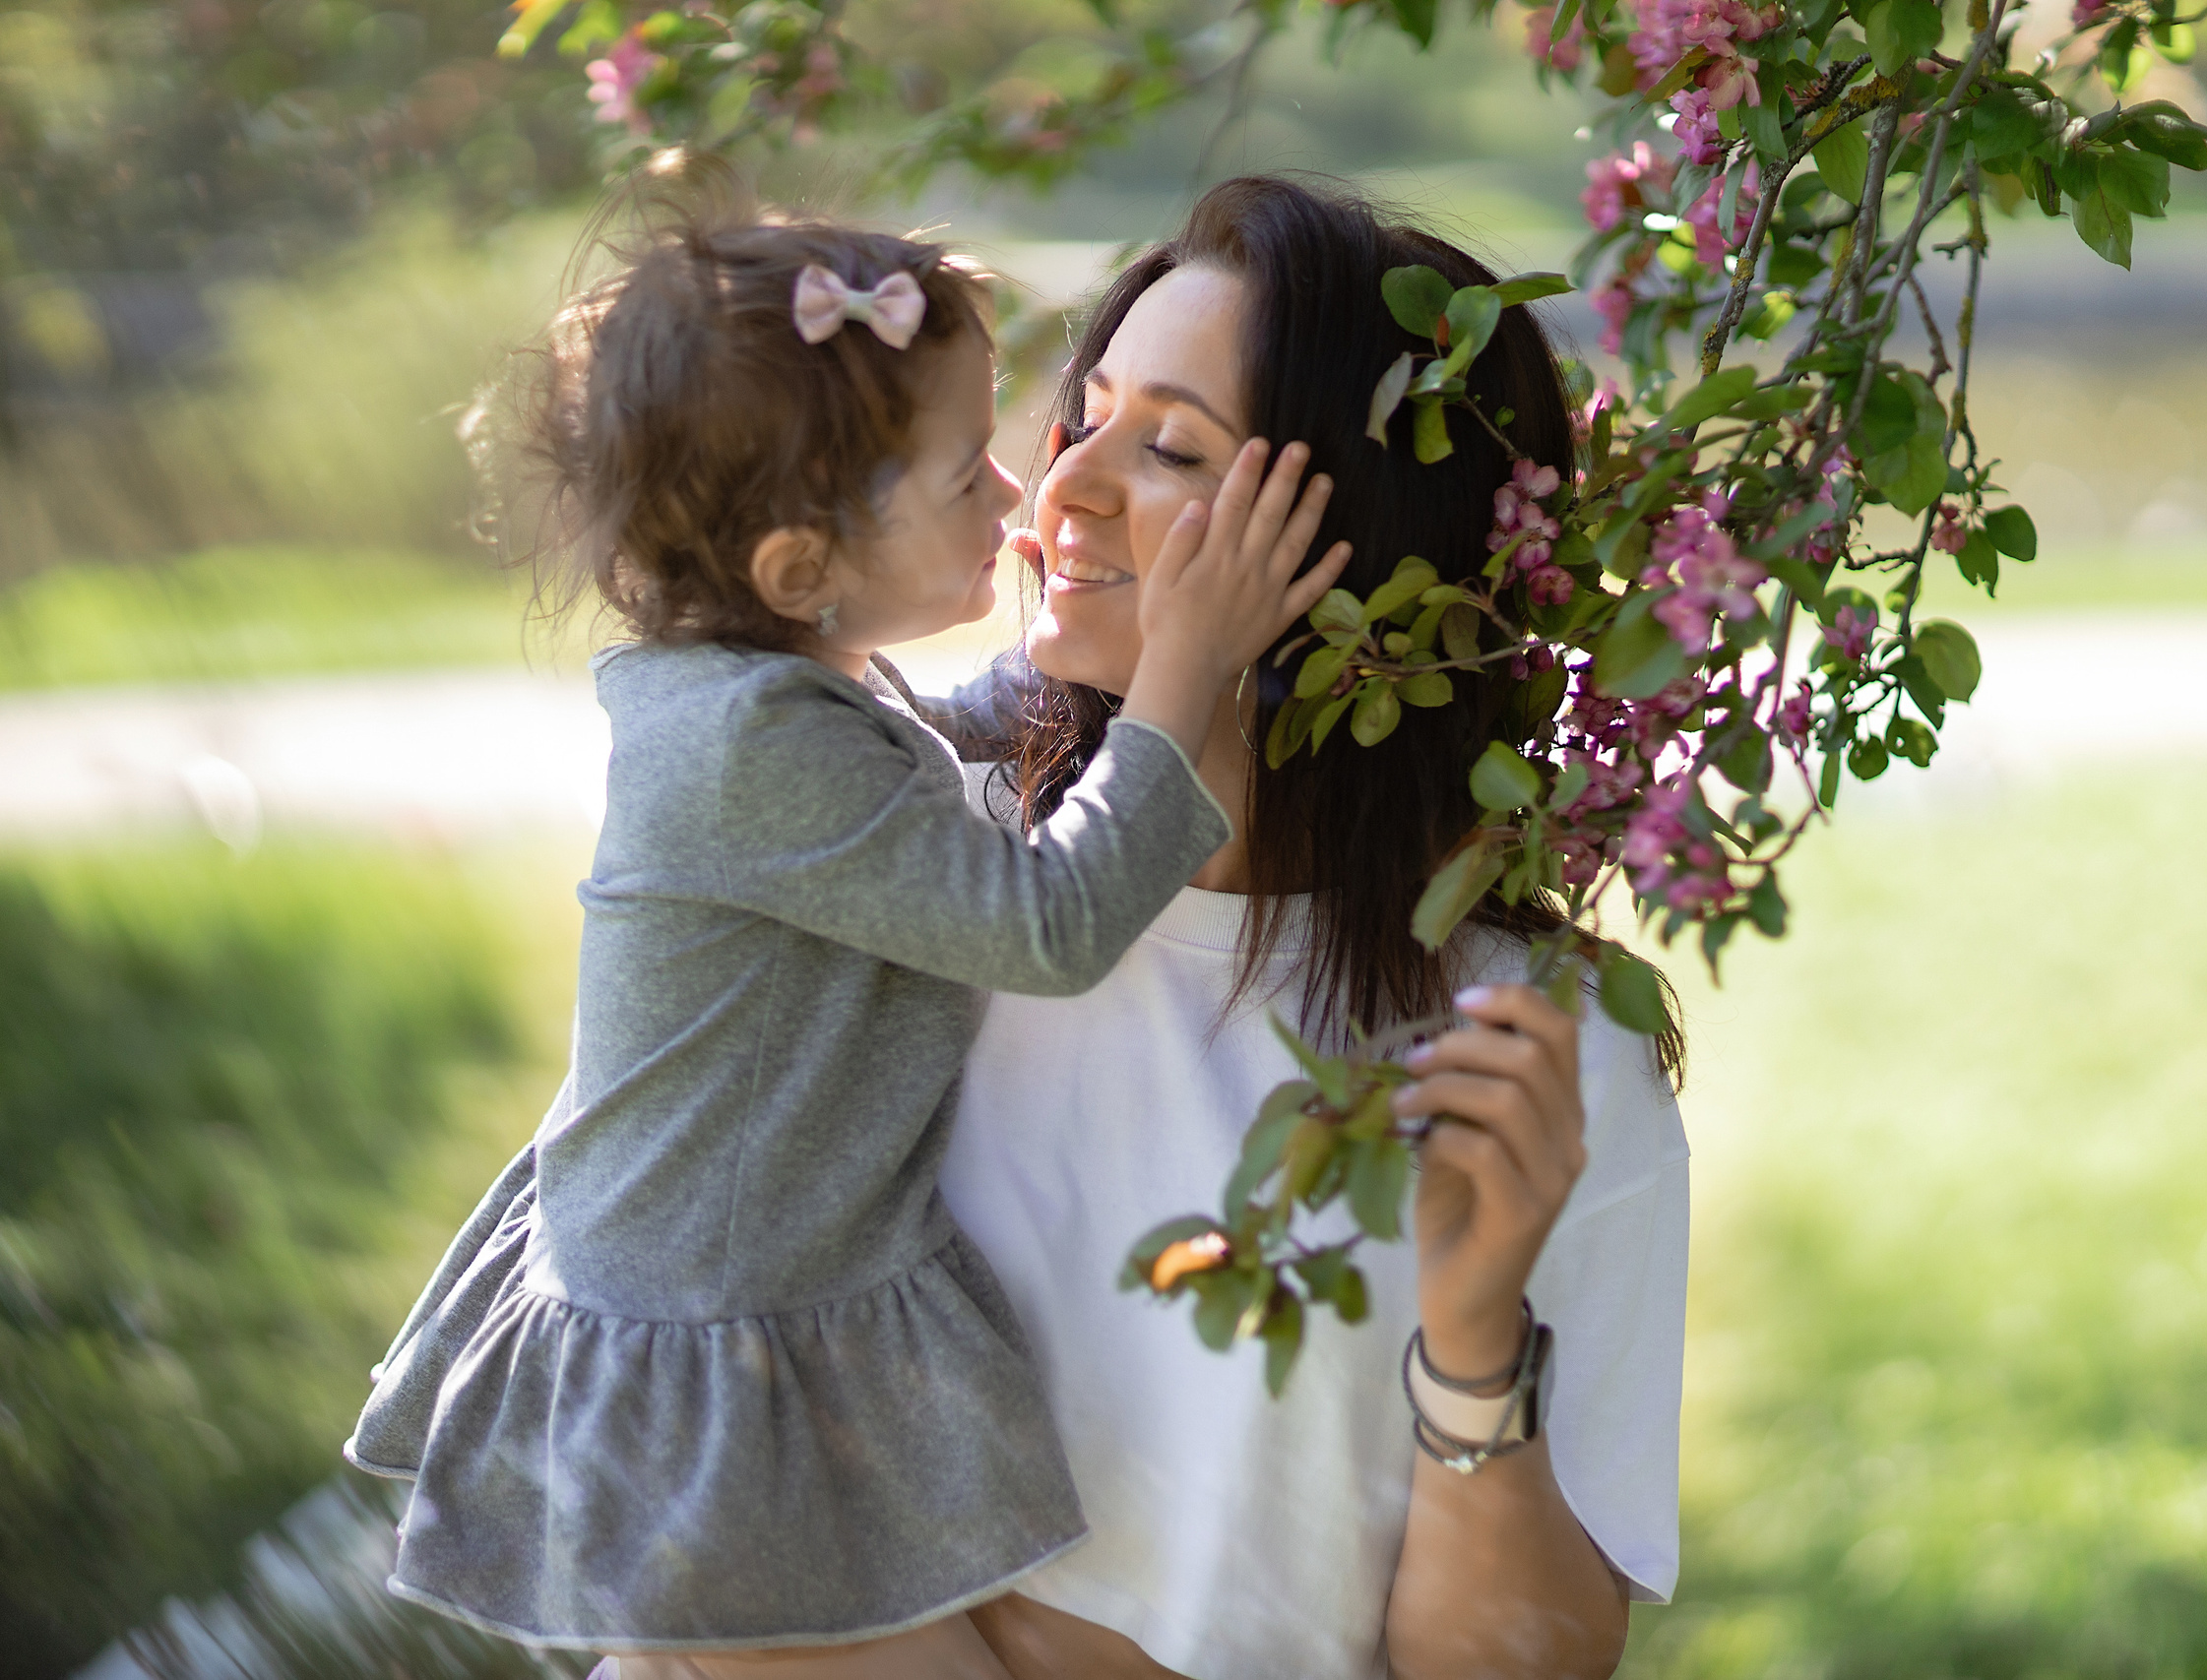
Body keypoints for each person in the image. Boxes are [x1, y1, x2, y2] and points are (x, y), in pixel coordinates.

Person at [341, 166, 1352, 1675]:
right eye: (965, 480)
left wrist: (1104, 658)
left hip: (743, 1307)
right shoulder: (751, 747)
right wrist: (1180, 670)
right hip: (716, 1366)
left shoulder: (780, 690)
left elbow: (933, 758)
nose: (1023, 493)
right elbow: (1048, 922)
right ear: (803, 570)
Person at [929, 176, 1691, 1680]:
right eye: (1081, 416)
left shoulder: (1539, 1050)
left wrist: (1474, 1341)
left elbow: (1517, 1667)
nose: (1060, 491)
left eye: (1169, 448)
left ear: (1355, 551)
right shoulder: (922, 882)